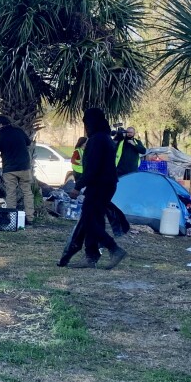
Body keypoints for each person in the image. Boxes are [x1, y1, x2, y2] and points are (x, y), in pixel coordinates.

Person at [67, 108, 127, 269]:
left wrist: (77, 187)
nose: (85, 127)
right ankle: (91, 256)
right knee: (95, 220)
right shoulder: (105, 138)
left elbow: (92, 168)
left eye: (86, 123)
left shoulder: (96, 140)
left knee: (89, 220)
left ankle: (113, 249)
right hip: (107, 184)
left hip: (99, 185)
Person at [0, 115, 34, 224]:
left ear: (0, 125)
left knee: (11, 193)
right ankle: (30, 218)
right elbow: (28, 143)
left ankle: (12, 218)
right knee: (28, 193)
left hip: (9, 169)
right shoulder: (19, 132)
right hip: (24, 167)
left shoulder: (0, 138)